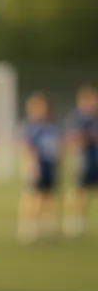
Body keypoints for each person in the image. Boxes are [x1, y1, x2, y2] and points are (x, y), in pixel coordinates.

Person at [19, 92, 62, 243]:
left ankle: (49, 225)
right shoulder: (31, 127)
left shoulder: (51, 126)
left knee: (50, 196)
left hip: (50, 166)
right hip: (37, 166)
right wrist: (31, 165)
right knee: (33, 196)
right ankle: (28, 226)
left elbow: (57, 148)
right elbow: (28, 147)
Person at [63, 83, 98, 237]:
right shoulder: (76, 118)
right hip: (85, 159)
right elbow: (73, 139)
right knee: (80, 192)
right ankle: (74, 221)